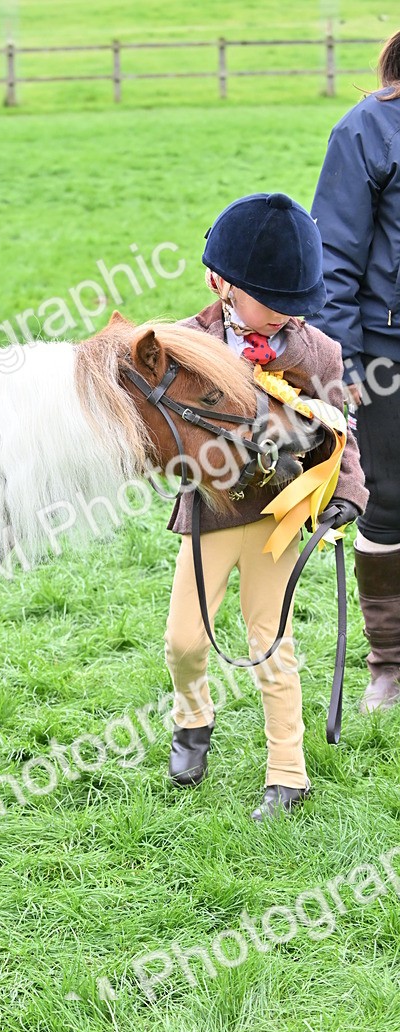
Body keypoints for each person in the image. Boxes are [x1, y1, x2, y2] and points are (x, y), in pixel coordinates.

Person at [164, 193, 368, 821]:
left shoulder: (319, 355)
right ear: (221, 283)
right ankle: (192, 718)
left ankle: (288, 771)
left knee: (270, 640)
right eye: (270, 303)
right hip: (213, 511)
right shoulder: (183, 345)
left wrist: (346, 494)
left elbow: (340, 432)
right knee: (183, 641)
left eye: (293, 307)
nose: (282, 317)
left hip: (280, 513)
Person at [309, 30, 400, 711]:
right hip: (384, 357)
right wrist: (340, 369)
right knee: (389, 503)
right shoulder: (367, 129)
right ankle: (390, 664)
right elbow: (335, 255)